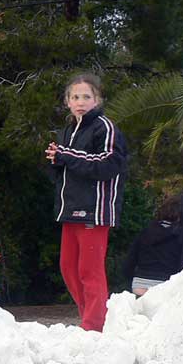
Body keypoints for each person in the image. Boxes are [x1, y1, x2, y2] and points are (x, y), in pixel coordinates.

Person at [45, 72, 128, 332]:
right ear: (67, 102)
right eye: (75, 97)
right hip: (69, 210)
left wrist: (66, 156)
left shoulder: (105, 127)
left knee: (89, 270)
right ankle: (88, 318)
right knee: (68, 267)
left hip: (95, 211)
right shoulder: (67, 131)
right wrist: (55, 162)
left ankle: (94, 325)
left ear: (97, 99)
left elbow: (107, 165)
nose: (80, 101)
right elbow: (63, 172)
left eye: (86, 96)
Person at [123, 195, 183, 296]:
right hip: (165, 285)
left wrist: (131, 278)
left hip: (139, 285)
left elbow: (130, 261)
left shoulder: (146, 232)